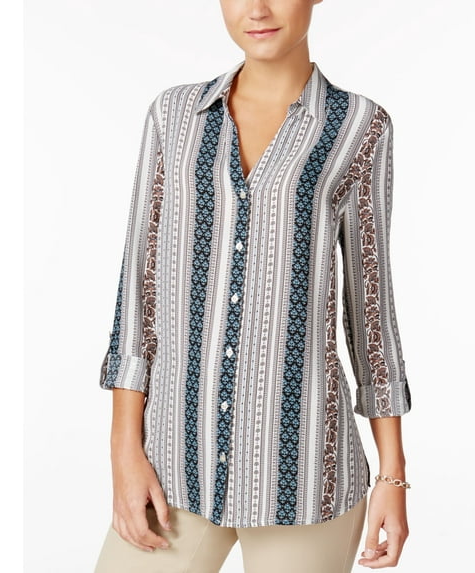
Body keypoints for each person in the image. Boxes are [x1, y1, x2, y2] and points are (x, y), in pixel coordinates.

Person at [94, 0, 413, 571]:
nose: (257, 9)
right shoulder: (174, 116)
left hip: (306, 476)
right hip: (173, 464)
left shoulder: (360, 127)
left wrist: (392, 475)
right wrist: (124, 450)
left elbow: (370, 304)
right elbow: (139, 289)